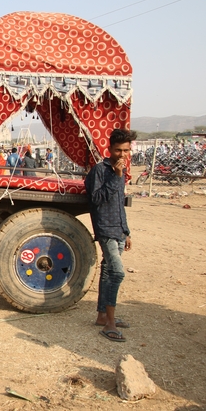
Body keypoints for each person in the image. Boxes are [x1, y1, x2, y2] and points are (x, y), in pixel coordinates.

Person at [85, 128, 137, 342]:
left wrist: (126, 232)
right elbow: (97, 200)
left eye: (126, 151)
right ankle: (110, 323)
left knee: (108, 272)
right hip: (106, 230)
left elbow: (119, 205)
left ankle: (102, 316)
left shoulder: (120, 172)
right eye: (118, 150)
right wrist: (116, 176)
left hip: (118, 230)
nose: (122, 155)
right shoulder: (100, 170)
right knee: (117, 273)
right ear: (109, 150)